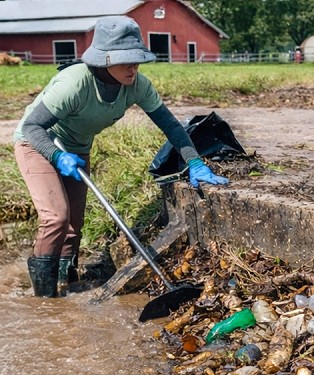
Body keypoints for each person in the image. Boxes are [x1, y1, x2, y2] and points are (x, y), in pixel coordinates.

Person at [13, 15, 228, 297]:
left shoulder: (138, 85)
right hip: (38, 143)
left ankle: (65, 287)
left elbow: (171, 126)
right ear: (105, 59)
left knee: (73, 225)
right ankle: (44, 299)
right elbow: (32, 126)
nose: (133, 66)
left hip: (76, 148)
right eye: (126, 60)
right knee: (56, 217)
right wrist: (55, 156)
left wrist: (195, 162)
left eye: (137, 59)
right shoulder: (74, 82)